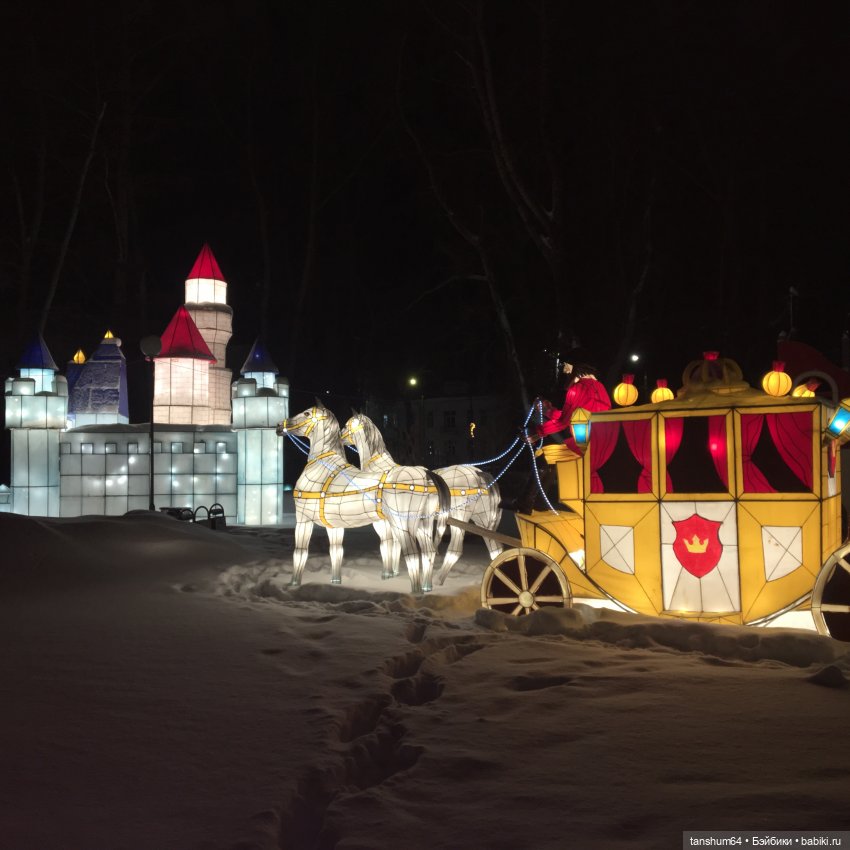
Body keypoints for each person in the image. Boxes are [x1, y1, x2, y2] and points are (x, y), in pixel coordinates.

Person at [504, 359, 611, 513]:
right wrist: (547, 411)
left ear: (574, 370)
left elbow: (564, 421)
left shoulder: (577, 388)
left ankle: (526, 502)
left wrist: (536, 432)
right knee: (553, 460)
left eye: (566, 369)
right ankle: (539, 503)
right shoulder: (599, 388)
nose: (565, 373)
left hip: (584, 445)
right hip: (602, 442)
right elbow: (567, 415)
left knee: (544, 456)